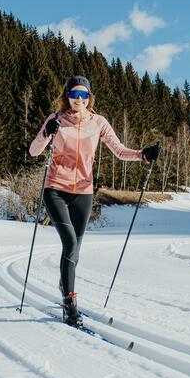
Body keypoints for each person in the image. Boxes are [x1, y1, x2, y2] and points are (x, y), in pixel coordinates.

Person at [29, 75, 159, 326]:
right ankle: (69, 301)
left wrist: (143, 155)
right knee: (69, 242)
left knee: (75, 249)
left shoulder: (98, 122)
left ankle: (64, 283)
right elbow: (34, 151)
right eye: (74, 94)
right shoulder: (55, 120)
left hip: (84, 192)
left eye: (84, 95)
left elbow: (120, 151)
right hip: (55, 188)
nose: (79, 99)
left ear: (89, 98)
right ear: (67, 96)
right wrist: (46, 133)